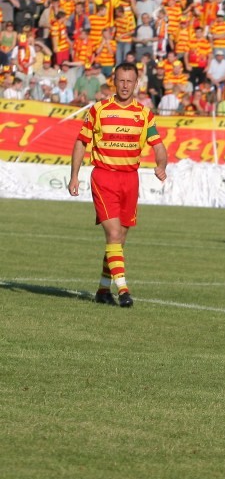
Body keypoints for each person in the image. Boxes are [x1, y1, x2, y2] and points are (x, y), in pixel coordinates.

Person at [68, 61, 168, 309]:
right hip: (105, 177)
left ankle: (103, 290)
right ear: (114, 81)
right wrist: (74, 175)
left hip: (130, 179)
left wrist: (161, 164)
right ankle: (123, 290)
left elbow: (158, 146)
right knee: (113, 234)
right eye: (121, 80)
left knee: (119, 239)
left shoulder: (144, 114)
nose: (125, 85)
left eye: (129, 81)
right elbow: (81, 142)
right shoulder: (99, 110)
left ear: (136, 83)